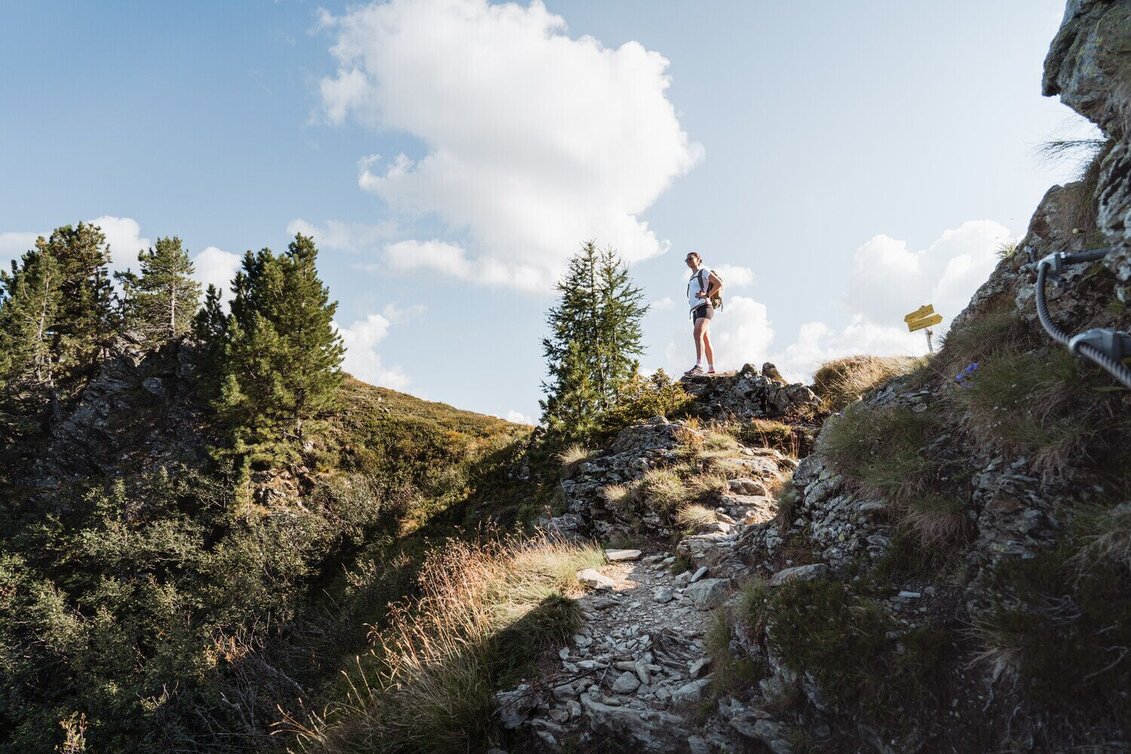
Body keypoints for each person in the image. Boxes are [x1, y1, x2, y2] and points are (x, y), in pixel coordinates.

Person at [684, 251, 722, 376]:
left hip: (705, 307)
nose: (689, 261)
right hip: (695, 310)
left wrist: (707, 295)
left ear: (698, 259)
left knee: (697, 333)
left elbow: (718, 283)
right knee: (705, 338)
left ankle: (699, 366)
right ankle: (711, 368)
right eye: (687, 260)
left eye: (691, 258)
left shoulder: (704, 271)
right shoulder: (691, 277)